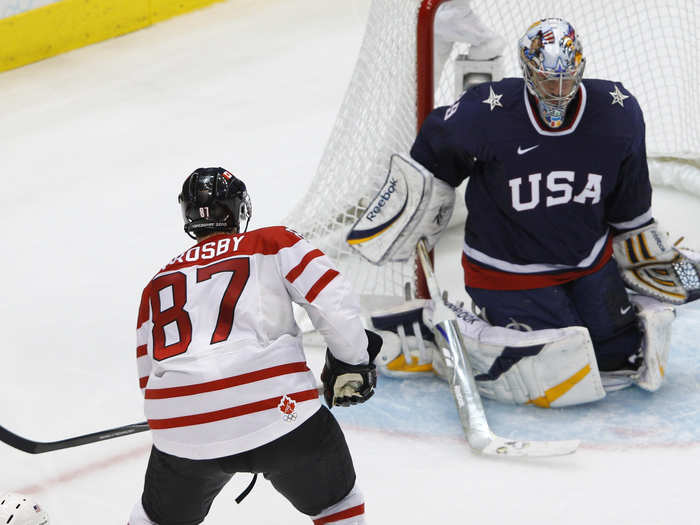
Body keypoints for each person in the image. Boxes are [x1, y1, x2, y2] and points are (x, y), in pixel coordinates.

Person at [367, 17, 698, 406]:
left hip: (587, 262)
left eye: (567, 78)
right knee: (556, 369)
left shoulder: (616, 112)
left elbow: (629, 200)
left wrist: (641, 243)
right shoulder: (486, 113)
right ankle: (437, 333)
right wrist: (415, 200)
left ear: (581, 69)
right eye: (546, 80)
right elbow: (432, 153)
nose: (559, 91)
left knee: (620, 360)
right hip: (507, 273)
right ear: (527, 72)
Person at [128, 167, 381, 524]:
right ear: (238, 207)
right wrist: (353, 360)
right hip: (281, 413)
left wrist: (187, 417)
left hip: (182, 430)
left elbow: (147, 374)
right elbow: (331, 300)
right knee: (336, 504)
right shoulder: (272, 242)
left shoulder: (158, 281)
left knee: (155, 518)